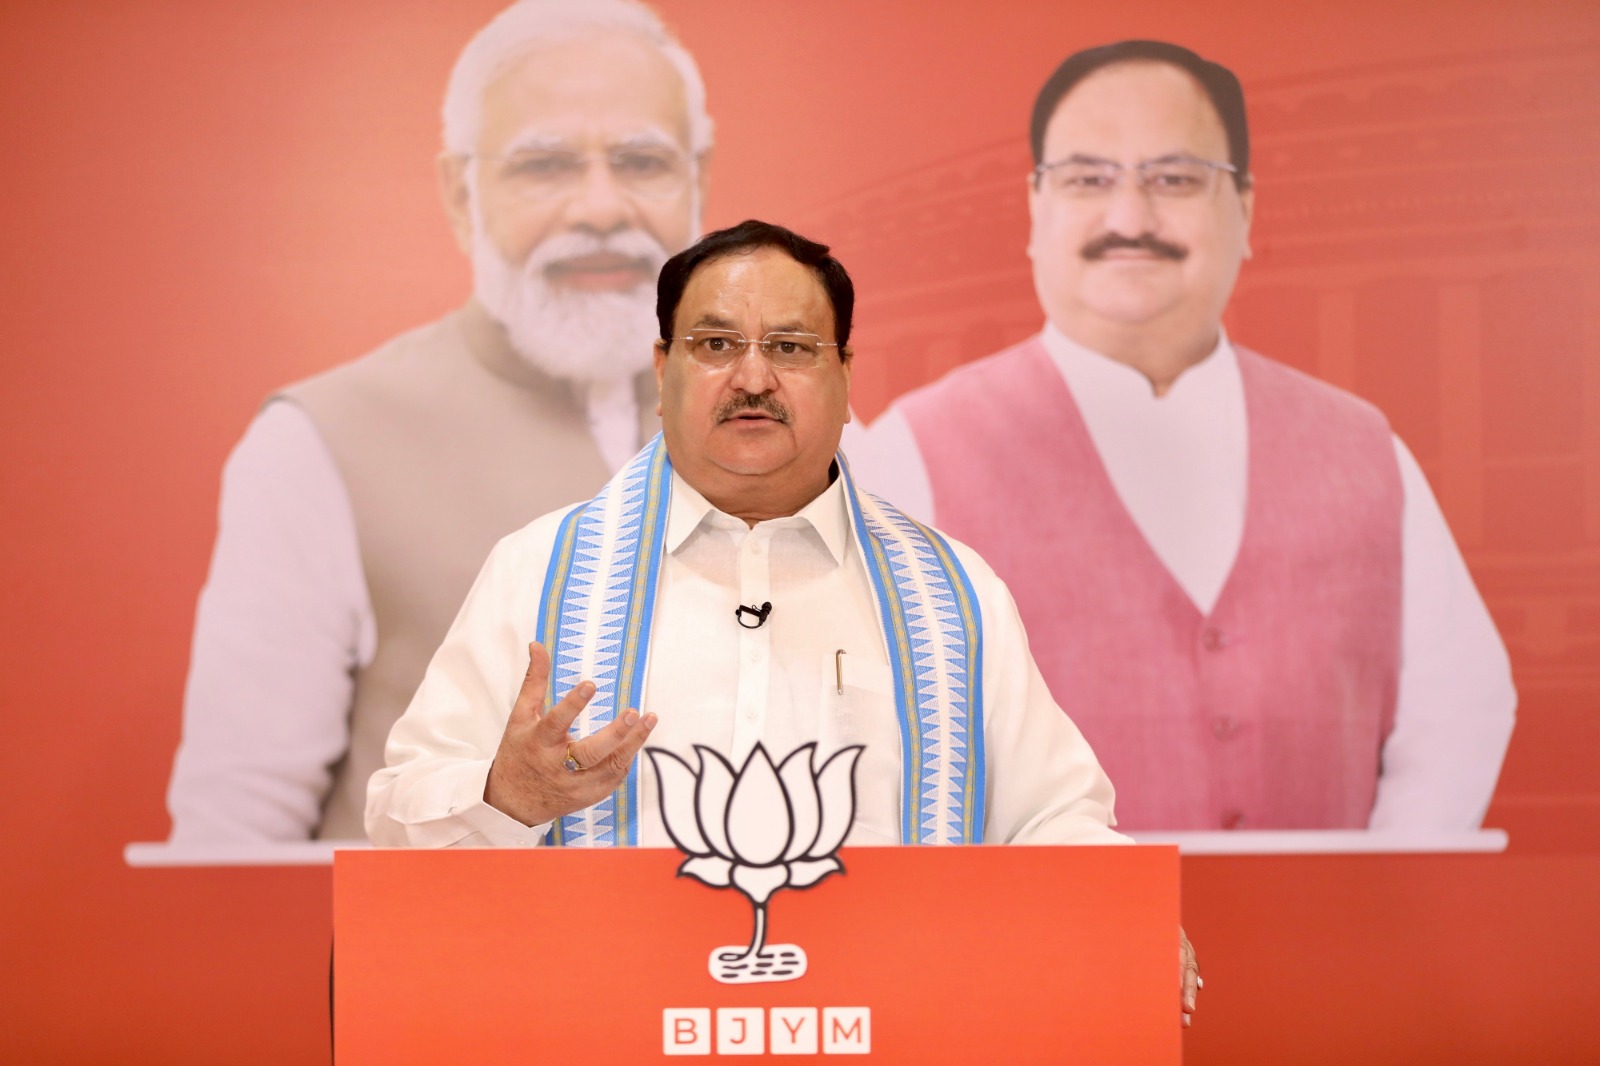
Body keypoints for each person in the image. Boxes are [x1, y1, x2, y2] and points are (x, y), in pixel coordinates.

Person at [368, 218, 1200, 1023]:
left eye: (792, 348)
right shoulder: (540, 573)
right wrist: (505, 796)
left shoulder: (952, 591)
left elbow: (1049, 816)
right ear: (663, 372)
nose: (754, 377)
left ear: (845, 376)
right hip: (604, 1034)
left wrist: (1120, 917)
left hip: (890, 1037)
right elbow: (399, 816)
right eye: (716, 344)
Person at [848, 40, 1516, 832]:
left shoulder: (1366, 451)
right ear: (1035, 209)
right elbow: (862, 738)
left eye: (1174, 179)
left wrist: (1373, 894)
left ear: (1246, 211)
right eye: (1088, 179)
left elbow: (1459, 706)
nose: (1130, 218)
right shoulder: (909, 457)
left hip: (1326, 947)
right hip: (1044, 948)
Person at [166, 0, 713, 842]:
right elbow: (237, 838)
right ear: (460, 193)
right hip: (439, 966)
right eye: (545, 165)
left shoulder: (795, 436)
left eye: (643, 161)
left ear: (698, 182)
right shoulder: (320, 443)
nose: (601, 208)